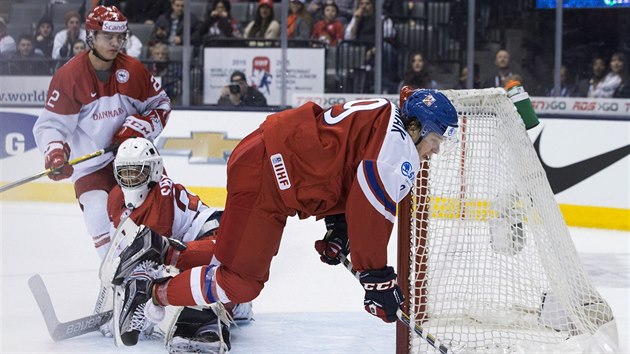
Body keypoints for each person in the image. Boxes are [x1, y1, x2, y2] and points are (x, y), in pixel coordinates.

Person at [113, 88, 459, 350]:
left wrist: (339, 226)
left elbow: (343, 167)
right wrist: (377, 280)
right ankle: (151, 292)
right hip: (269, 178)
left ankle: (161, 250)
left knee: (229, 258)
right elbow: (371, 209)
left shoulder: (384, 112)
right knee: (240, 282)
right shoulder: (397, 151)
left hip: (264, 158)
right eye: (434, 138)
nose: (436, 149)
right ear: (416, 127)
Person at [32, 5, 171, 259]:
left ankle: (159, 266)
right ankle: (113, 279)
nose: (116, 43)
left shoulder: (134, 70)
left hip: (132, 159)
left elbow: (161, 105)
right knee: (96, 212)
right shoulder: (70, 76)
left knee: (152, 213)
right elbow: (51, 125)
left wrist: (139, 128)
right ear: (91, 37)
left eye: (120, 37)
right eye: (109, 37)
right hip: (91, 164)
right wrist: (55, 153)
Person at [106, 137, 253, 350]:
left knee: (209, 272)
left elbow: (151, 255)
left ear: (154, 170)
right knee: (226, 279)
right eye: (124, 172)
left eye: (137, 171)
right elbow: (129, 250)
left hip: (213, 234)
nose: (130, 178)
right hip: (208, 241)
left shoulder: (160, 195)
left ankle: (205, 316)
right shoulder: (118, 199)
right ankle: (212, 316)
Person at [344, 0, 399, 93]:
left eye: (367, 4)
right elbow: (348, 37)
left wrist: (376, 49)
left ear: (373, 5)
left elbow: (389, 34)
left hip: (379, 49)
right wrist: (356, 20)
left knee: (387, 48)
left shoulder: (382, 17)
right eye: (361, 4)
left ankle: (387, 85)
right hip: (361, 50)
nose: (364, 7)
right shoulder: (357, 18)